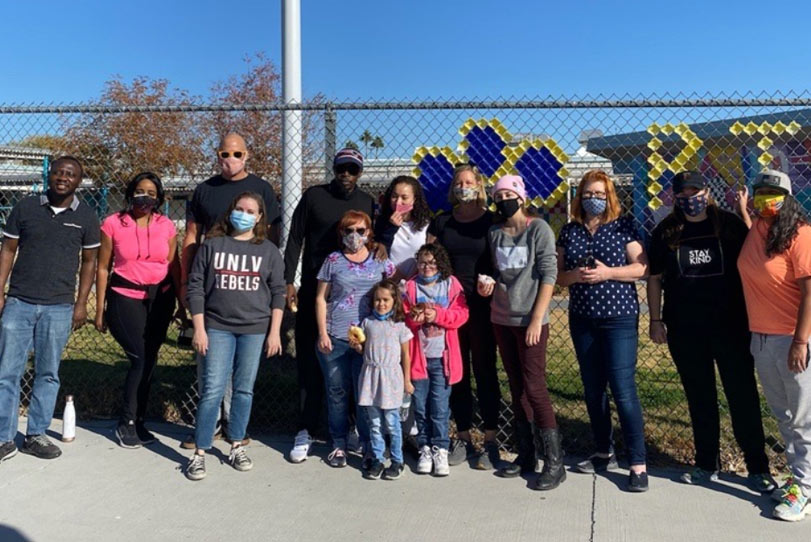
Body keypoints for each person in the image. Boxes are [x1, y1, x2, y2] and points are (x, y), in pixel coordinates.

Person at [647, 170, 772, 491]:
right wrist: (655, 319)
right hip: (685, 329)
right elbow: (655, 278)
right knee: (699, 396)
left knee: (741, 394)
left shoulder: (728, 225)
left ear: (707, 191)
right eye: (683, 194)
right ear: (675, 197)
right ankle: (706, 463)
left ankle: (757, 467)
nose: (691, 199)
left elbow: (756, 258)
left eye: (696, 191)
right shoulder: (667, 231)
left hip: (731, 327)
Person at [179, 133, 281, 449]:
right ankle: (208, 431)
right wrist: (186, 284)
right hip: (211, 296)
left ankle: (235, 431)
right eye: (225, 153)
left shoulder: (263, 190)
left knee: (243, 383)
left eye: (237, 153)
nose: (230, 159)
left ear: (246, 155)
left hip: (249, 304)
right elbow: (191, 238)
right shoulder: (204, 191)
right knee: (211, 377)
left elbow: (272, 244)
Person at [0, 156, 99, 463]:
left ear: (78, 181)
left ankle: (36, 435)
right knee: (7, 372)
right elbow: (8, 250)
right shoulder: (26, 208)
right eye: (57, 172)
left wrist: (81, 302)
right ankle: (4, 437)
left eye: (69, 174)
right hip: (19, 301)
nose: (62, 178)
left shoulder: (86, 216)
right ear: (49, 175)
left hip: (59, 305)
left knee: (47, 372)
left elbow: (89, 262)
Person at [557, 170, 649, 492]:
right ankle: (603, 450)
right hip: (583, 319)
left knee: (623, 390)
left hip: (618, 319)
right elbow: (559, 277)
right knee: (593, 389)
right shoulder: (569, 231)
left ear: (609, 197)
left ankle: (638, 463)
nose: (593, 199)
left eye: (599, 194)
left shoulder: (623, 226)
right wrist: (575, 275)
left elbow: (642, 267)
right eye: (588, 193)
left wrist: (609, 272)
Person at [284, 148, 376, 463]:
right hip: (316, 293)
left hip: (354, 301)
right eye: (341, 169)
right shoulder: (314, 197)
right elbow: (295, 238)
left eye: (352, 170)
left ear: (359, 173)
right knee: (311, 364)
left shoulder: (366, 203)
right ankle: (305, 429)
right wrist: (289, 281)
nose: (346, 175)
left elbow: (373, 243)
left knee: (354, 366)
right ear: (334, 169)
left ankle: (349, 428)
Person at [184, 192, 285, 481]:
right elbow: (196, 289)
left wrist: (274, 332)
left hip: (253, 329)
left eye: (250, 210)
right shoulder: (213, 246)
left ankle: (237, 444)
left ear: (260, 217)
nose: (244, 214)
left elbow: (278, 293)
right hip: (216, 327)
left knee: (243, 390)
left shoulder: (269, 251)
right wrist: (199, 329)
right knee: (213, 389)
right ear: (230, 212)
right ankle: (200, 452)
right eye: (239, 208)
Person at [477, 174, 563, 491]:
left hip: (531, 320)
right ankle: (526, 455)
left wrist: (538, 318)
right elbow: (499, 273)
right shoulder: (494, 233)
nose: (502, 202)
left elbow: (548, 273)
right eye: (497, 198)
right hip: (502, 318)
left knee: (535, 387)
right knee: (516, 387)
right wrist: (488, 286)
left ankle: (555, 461)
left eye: (507, 196)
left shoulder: (537, 229)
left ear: (521, 198)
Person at [737, 169, 811, 522]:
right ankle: (798, 480)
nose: (766, 197)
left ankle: (806, 489)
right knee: (783, 416)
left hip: (791, 339)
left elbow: (810, 292)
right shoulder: (758, 229)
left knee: (802, 419)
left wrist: (801, 340)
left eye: (773, 191)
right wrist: (744, 211)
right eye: (760, 191)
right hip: (761, 338)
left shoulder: (800, 234)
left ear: (787, 196)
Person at [95, 172, 180, 449]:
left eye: (152, 193)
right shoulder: (112, 224)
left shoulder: (166, 225)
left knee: (150, 360)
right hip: (125, 297)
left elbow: (173, 264)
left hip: (160, 299)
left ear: (159, 198)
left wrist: (180, 302)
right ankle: (126, 422)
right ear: (131, 193)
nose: (146, 197)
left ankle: (140, 421)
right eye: (141, 191)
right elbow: (103, 266)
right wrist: (99, 309)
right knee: (140, 358)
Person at [427, 164, 501, 469]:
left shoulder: (493, 222)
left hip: (483, 308)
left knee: (485, 371)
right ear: (452, 188)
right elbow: (429, 259)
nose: (464, 186)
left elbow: (504, 259)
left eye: (469, 182)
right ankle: (463, 435)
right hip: (451, 310)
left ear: (480, 185)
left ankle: (490, 440)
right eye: (459, 182)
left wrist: (493, 281)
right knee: (455, 372)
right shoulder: (442, 222)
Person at [315, 210, 395, 469]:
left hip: (369, 340)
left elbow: (394, 288)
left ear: (369, 232)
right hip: (336, 336)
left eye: (360, 231)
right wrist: (322, 333)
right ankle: (338, 443)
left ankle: (370, 445)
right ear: (341, 233)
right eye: (349, 230)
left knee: (365, 394)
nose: (355, 236)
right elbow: (320, 298)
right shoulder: (333, 260)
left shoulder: (379, 260)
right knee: (337, 392)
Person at [403, 243, 469, 477]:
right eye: (422, 262)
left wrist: (438, 315)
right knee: (420, 406)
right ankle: (424, 448)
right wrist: (416, 318)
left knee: (439, 407)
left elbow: (461, 315)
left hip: (444, 358)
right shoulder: (410, 288)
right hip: (418, 358)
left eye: (432, 262)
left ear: (440, 263)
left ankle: (440, 448)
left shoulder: (451, 285)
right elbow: (404, 320)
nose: (427, 267)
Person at [350, 279, 413, 480]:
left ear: (394, 301)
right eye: (377, 300)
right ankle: (376, 458)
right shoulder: (367, 323)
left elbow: (406, 355)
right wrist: (357, 346)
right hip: (371, 378)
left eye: (386, 300)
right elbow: (364, 349)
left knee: (392, 423)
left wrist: (407, 380)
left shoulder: (399, 326)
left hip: (391, 379)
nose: (381, 304)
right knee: (374, 423)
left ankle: (397, 460)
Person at [374, 176, 430, 279]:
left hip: (418, 282)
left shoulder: (426, 225)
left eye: (404, 198)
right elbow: (380, 254)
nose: (398, 202)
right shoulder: (381, 223)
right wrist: (391, 228)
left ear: (414, 199)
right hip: (391, 283)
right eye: (394, 196)